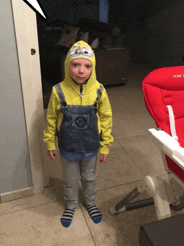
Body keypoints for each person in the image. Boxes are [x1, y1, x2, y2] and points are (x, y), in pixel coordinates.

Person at [43, 40, 113, 227]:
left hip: (91, 145)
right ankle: (71, 204)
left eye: (87, 66)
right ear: (68, 65)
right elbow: (51, 118)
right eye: (75, 64)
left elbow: (106, 118)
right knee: (70, 178)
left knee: (89, 177)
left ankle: (90, 202)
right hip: (68, 145)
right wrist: (50, 142)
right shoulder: (58, 91)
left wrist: (105, 144)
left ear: (93, 68)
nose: (81, 71)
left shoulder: (99, 90)